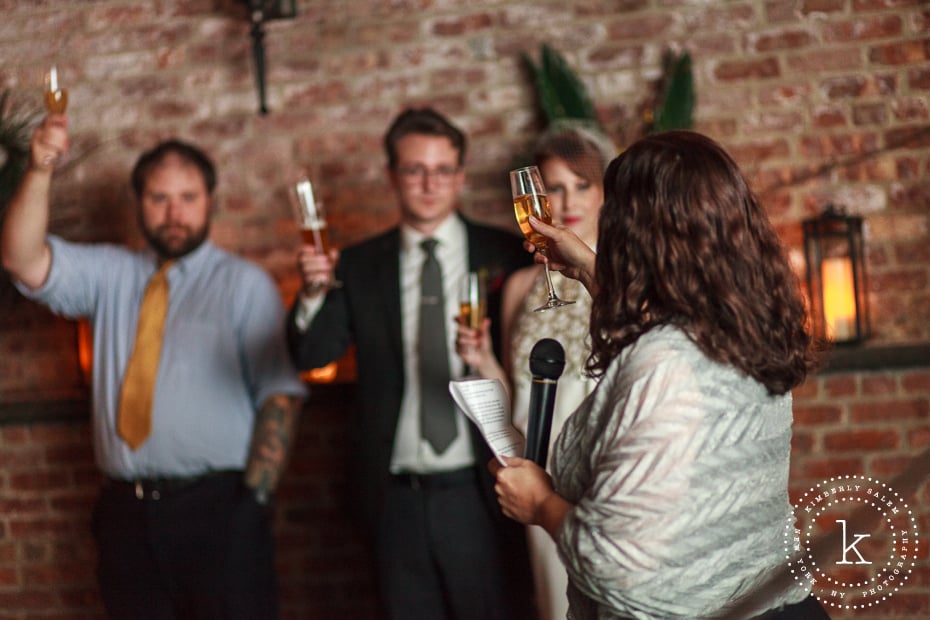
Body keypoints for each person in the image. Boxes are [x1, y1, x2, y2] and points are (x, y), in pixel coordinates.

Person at [489, 131, 829, 619]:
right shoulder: (745, 323)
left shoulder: (662, 366)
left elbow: (614, 565)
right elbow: (669, 327)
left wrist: (540, 503)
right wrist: (590, 269)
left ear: (636, 233)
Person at [1, 115, 307, 620]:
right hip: (127, 515)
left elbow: (279, 394)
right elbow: (20, 258)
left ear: (211, 202)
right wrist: (39, 169)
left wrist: (251, 507)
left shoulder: (243, 284)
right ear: (139, 204)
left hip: (219, 510)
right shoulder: (109, 273)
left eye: (188, 198)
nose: (174, 213)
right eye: (159, 198)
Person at [285, 107, 534, 620]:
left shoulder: (508, 253)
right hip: (392, 496)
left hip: (481, 488)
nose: (429, 183)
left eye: (442, 169)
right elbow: (313, 355)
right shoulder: (358, 264)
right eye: (415, 169)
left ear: (460, 176)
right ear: (392, 176)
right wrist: (313, 292)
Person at [455, 121, 615, 620]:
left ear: (604, 190)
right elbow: (514, 391)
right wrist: (481, 359)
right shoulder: (522, 286)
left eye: (581, 185)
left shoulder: (624, 271)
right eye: (553, 188)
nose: (568, 200)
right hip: (541, 470)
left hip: (606, 462)